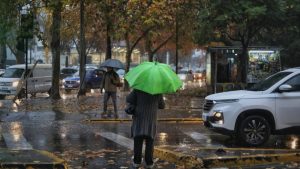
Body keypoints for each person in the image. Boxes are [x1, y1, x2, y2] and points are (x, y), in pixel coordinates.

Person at [126, 89, 165, 169]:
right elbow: (162, 105)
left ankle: (137, 162)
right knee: (150, 143)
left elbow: (128, 99)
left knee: (138, 142)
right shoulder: (157, 91)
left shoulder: (138, 89)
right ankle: (149, 163)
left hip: (139, 120)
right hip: (151, 120)